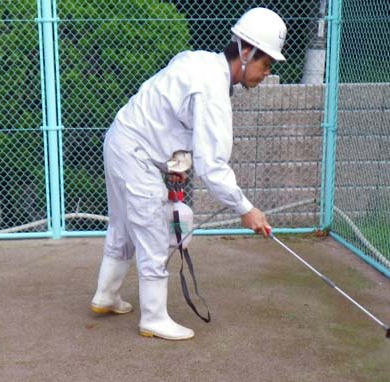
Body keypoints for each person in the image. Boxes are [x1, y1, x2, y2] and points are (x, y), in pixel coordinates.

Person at [90, 7, 287, 341]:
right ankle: (153, 318)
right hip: (135, 153)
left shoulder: (200, 61)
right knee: (152, 231)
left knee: (123, 224)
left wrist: (177, 163)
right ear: (245, 51)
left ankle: (106, 296)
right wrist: (246, 209)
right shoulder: (212, 90)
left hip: (121, 140)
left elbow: (172, 117)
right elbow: (213, 166)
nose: (265, 73)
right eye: (265, 64)